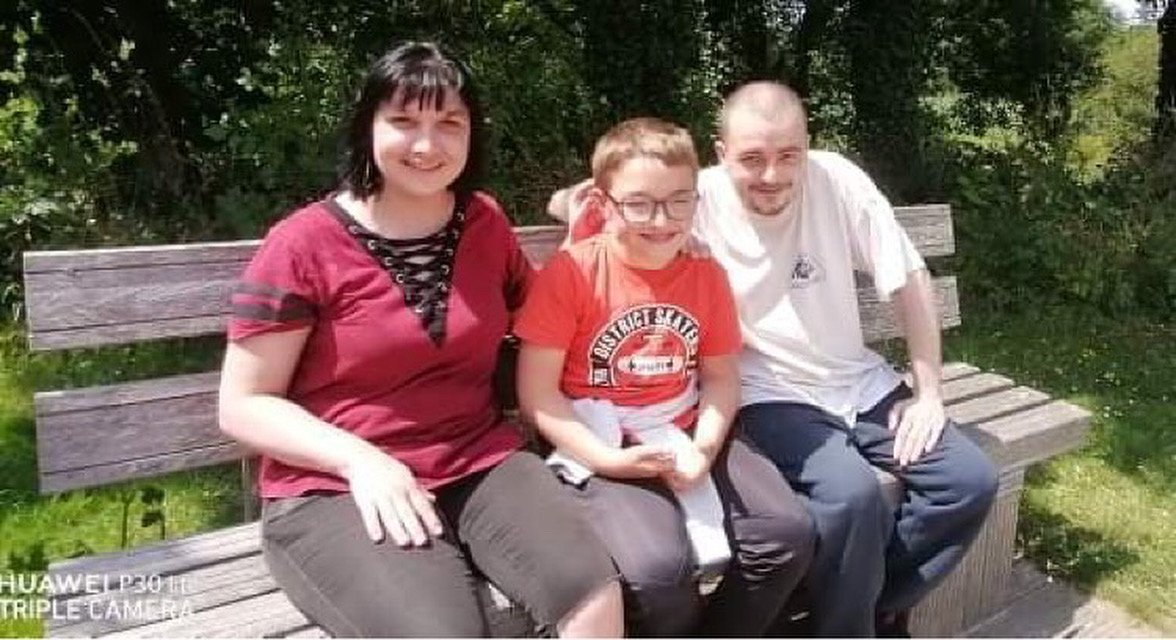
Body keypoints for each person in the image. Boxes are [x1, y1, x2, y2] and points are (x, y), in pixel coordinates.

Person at [551, 81, 999, 637]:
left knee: (969, 482)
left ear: (808, 145)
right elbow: (588, 195)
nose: (772, 174)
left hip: (860, 381)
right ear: (721, 153)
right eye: (752, 159)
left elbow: (910, 278)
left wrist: (929, 393)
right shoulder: (694, 197)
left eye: (789, 155)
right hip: (771, 394)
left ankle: (869, 607)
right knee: (851, 498)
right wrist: (580, 211)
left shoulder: (837, 179)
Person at [217, 41, 623, 638]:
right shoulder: (302, 245)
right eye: (404, 121)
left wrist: (598, 239)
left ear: (472, 133)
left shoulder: (482, 221)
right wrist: (360, 460)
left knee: (591, 595)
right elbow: (243, 403)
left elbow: (539, 313)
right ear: (368, 126)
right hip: (337, 485)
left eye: (449, 123)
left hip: (478, 459)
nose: (427, 145)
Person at [517, 117, 814, 637]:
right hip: (600, 434)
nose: (662, 220)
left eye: (680, 201)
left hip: (686, 421)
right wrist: (607, 459)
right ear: (605, 205)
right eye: (639, 204)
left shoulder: (705, 273)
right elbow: (537, 394)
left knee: (785, 535)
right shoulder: (574, 273)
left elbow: (720, 377)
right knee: (658, 571)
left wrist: (704, 447)